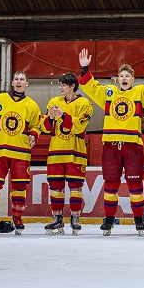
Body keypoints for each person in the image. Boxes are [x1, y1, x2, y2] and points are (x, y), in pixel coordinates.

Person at [79, 48, 144, 236]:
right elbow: (91, 87)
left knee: (135, 185)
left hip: (132, 145)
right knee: (110, 184)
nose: (124, 78)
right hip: (111, 145)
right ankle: (108, 219)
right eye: (121, 75)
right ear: (117, 79)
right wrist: (85, 69)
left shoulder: (140, 93)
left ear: (133, 79)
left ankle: (139, 219)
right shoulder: (109, 93)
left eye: (128, 76)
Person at [0, 71, 42, 235]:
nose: (19, 82)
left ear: (27, 84)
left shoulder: (32, 105)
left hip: (21, 152)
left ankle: (17, 218)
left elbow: (36, 126)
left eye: (22, 79)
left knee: (19, 187)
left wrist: (33, 135)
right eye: (16, 79)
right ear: (12, 82)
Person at [40, 73, 93, 235]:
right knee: (55, 188)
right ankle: (57, 219)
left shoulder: (85, 103)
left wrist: (63, 115)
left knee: (75, 188)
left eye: (63, 85)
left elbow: (79, 128)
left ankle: (75, 219)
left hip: (75, 153)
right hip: (55, 153)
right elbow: (44, 127)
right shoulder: (53, 102)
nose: (60, 87)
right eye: (60, 84)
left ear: (72, 86)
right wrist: (50, 117)